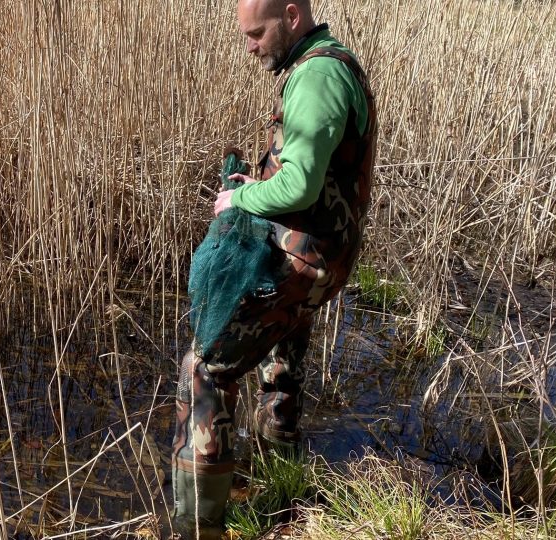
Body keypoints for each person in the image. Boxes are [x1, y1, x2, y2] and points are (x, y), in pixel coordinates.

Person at [170, 0, 378, 537]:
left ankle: (198, 525)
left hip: (304, 260)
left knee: (206, 365)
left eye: (257, 33)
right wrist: (255, 189)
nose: (250, 46)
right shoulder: (326, 63)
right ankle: (277, 484)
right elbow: (307, 177)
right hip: (318, 254)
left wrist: (238, 203)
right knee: (279, 358)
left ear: (291, 15)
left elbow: (303, 184)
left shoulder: (317, 77)